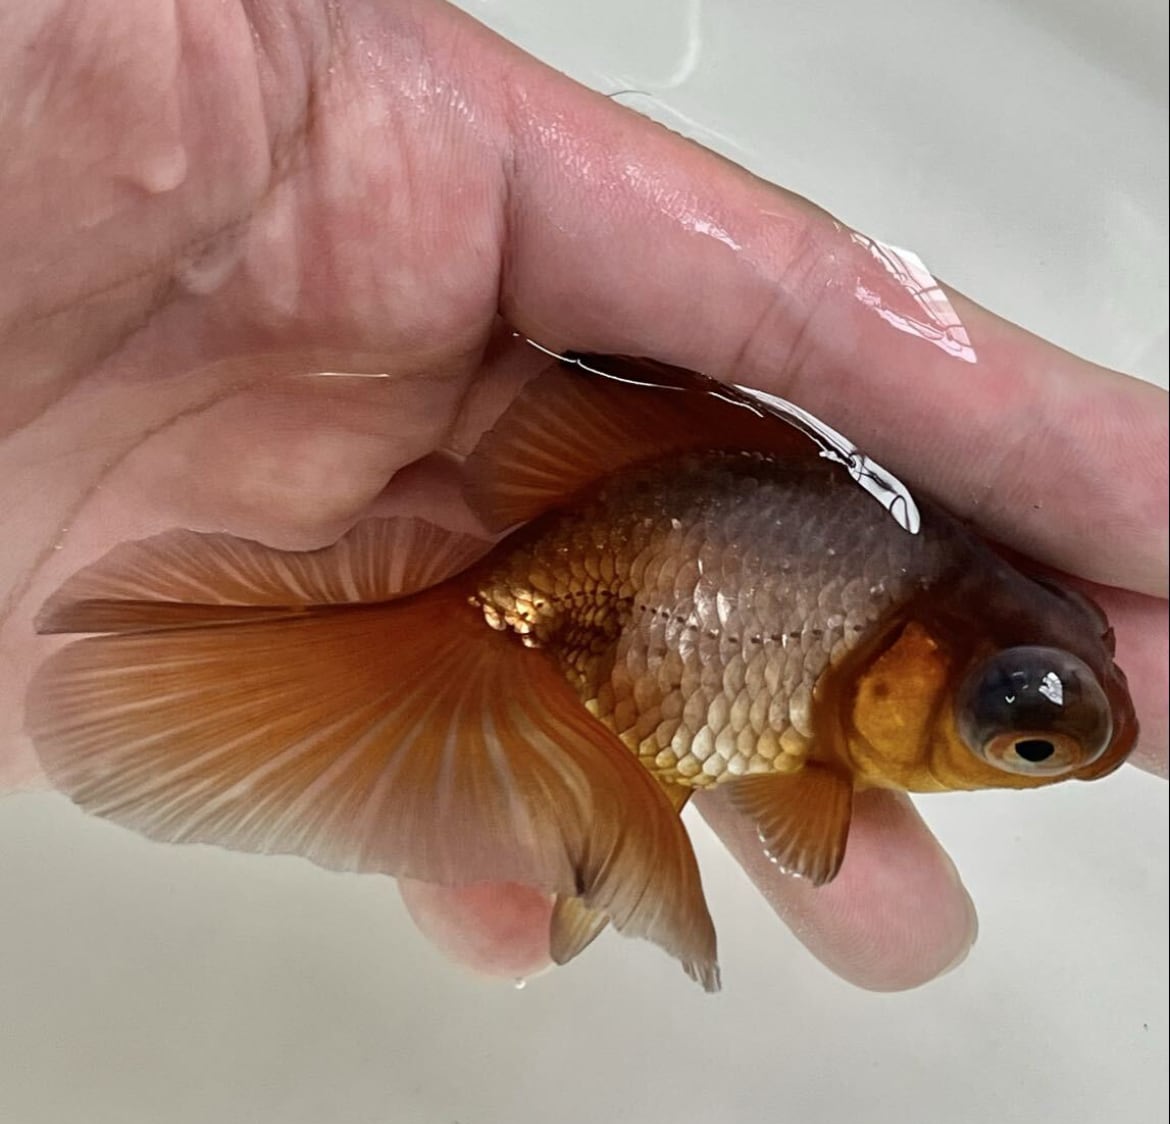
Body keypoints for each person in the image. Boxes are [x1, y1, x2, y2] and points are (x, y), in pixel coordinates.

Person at [0, 0, 1164, 991]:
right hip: (591, 574)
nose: (1030, 744)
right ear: (907, 669)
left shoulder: (891, 588)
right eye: (1017, 738)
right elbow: (800, 801)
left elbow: (801, 798)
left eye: (1023, 738)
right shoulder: (859, 591)